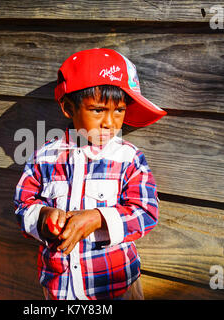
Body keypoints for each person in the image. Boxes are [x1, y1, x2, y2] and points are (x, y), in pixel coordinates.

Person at [14, 48, 167, 300]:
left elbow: (147, 212)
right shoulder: (45, 156)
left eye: (119, 110)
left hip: (115, 287)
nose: (110, 122)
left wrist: (98, 218)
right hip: (60, 286)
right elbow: (23, 204)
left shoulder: (128, 158)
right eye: (97, 110)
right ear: (68, 108)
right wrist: (43, 216)